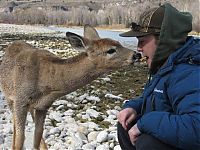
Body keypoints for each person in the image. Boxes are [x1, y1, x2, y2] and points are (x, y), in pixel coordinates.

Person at [117, 3, 200, 150]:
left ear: (164, 40)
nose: (138, 48)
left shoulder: (189, 71)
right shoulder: (167, 63)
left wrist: (145, 123)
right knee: (126, 124)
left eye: (142, 41)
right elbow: (155, 97)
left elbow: (196, 128)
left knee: (148, 142)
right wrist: (134, 107)